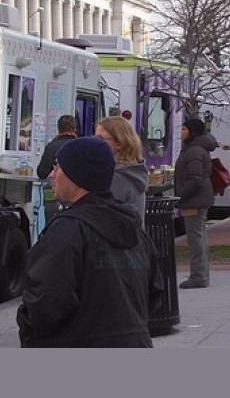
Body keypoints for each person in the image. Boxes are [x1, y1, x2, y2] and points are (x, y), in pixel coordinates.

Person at [16, 137, 162, 347]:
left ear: (77, 176)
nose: (52, 174)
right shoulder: (136, 233)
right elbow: (154, 294)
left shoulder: (67, 233)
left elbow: (44, 305)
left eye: (58, 167)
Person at [175, 118, 217, 289]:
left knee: (195, 238)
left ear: (192, 132)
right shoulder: (196, 149)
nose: (181, 132)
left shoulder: (193, 151)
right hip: (198, 197)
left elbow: (195, 178)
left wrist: (180, 196)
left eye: (184, 129)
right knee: (198, 236)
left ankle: (198, 275)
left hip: (194, 199)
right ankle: (200, 274)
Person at [95, 116, 148, 223]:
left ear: (119, 143)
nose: (95, 143)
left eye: (100, 139)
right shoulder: (133, 172)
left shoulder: (117, 178)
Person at [37, 115, 77, 224]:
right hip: (75, 195)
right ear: (74, 129)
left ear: (58, 129)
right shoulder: (80, 146)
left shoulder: (51, 146)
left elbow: (42, 173)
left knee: (52, 223)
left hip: (53, 195)